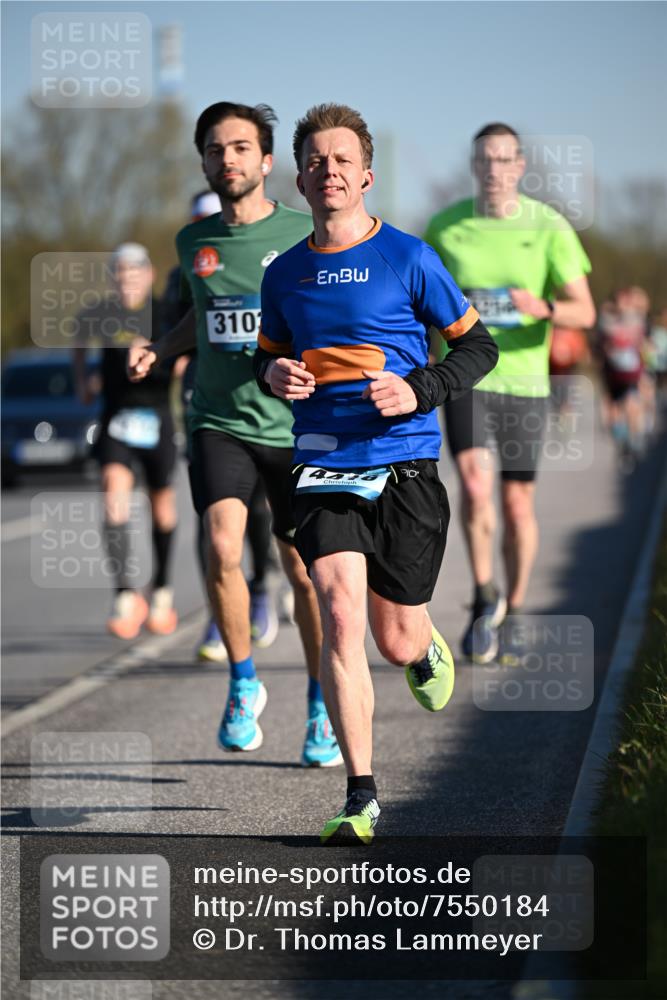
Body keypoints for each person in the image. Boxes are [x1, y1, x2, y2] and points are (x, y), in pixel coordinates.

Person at [254, 103, 498, 843]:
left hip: (404, 465)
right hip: (324, 462)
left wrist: (415, 389)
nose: (327, 170)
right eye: (315, 160)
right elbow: (261, 355)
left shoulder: (409, 258)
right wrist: (274, 374)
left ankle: (422, 644)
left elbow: (476, 349)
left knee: (392, 641)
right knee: (336, 609)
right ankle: (360, 794)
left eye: (341, 159)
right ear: (298, 178)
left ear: (364, 174)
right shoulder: (285, 273)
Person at [128, 101, 341, 767]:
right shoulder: (193, 243)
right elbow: (203, 313)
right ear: (204, 162)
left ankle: (319, 703)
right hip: (218, 417)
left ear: (267, 161)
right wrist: (161, 348)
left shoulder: (305, 234)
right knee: (221, 546)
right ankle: (244, 683)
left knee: (304, 576)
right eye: (217, 149)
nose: (229, 160)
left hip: (296, 427)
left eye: (242, 148)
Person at [424, 123, 595, 666]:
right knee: (475, 489)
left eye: (503, 160)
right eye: (484, 161)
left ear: (520, 166)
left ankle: (516, 610)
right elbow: (420, 302)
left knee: (517, 505)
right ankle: (482, 599)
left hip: (525, 383)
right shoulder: (446, 228)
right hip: (466, 378)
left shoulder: (549, 228)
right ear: (474, 166)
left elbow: (584, 312)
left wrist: (542, 307)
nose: (494, 170)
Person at [161, 190, 279, 662]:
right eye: (200, 218)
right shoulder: (183, 267)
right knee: (214, 521)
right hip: (206, 398)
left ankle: (262, 585)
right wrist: (161, 353)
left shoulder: (272, 253)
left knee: (261, 506)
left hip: (265, 399)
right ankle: (219, 612)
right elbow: (180, 324)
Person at [73, 243, 180, 639]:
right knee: (111, 496)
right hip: (116, 417)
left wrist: (171, 364)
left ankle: (163, 589)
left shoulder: (164, 313)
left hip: (157, 414)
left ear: (148, 274)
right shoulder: (100, 313)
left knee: (162, 505)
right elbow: (79, 340)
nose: (126, 279)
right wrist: (83, 380)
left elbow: (184, 350)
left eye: (134, 271)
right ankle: (124, 594)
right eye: (119, 272)